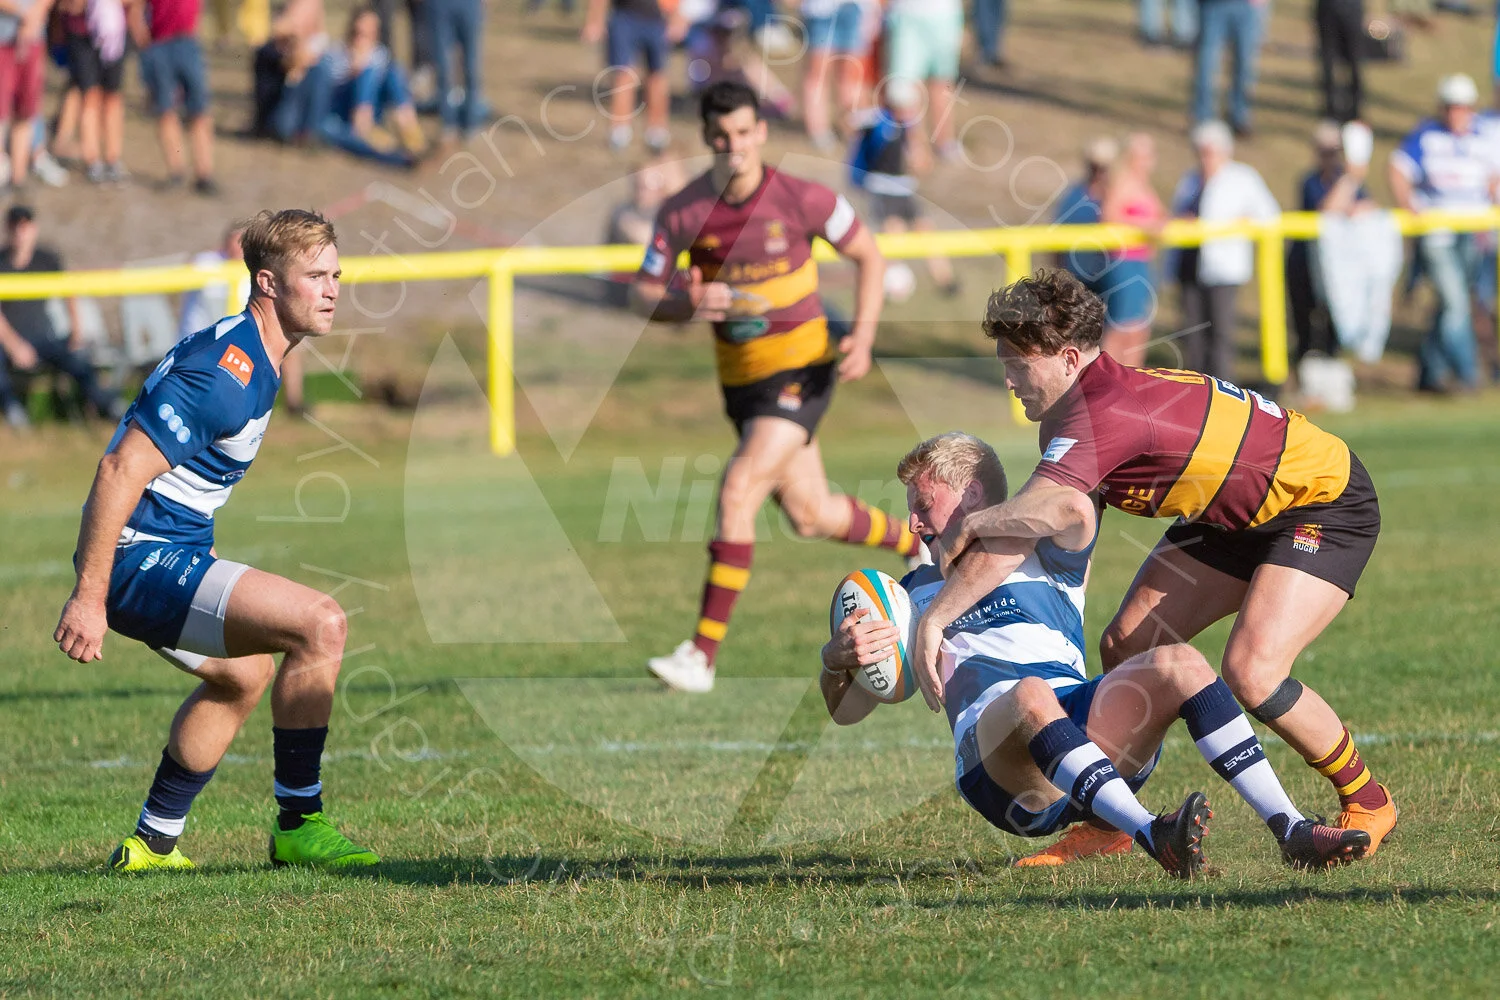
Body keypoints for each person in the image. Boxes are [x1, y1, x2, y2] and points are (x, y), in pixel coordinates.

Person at [919, 268, 1398, 865]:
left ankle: (1368, 798)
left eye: (1019, 364)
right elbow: (1035, 528)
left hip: (1321, 500)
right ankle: (1114, 820)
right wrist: (946, 608)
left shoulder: (1098, 416)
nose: (1009, 380)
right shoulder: (1070, 414)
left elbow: (1046, 512)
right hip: (1231, 514)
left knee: (1252, 670)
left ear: (1069, 358)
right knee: (1128, 646)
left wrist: (961, 544)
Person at [823, 433, 1369, 874]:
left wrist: (1001, 517)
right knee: (1031, 694)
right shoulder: (908, 592)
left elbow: (1076, 508)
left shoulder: (1045, 552)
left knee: (1180, 662)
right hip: (999, 770)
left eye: (924, 507)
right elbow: (849, 709)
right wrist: (837, 660)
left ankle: (1290, 828)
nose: (914, 524)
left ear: (971, 498)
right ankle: (1152, 834)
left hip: (1086, 730)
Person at [52, 208, 378, 872]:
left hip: (169, 551)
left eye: (336, 274)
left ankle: (150, 845)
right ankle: (299, 823)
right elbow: (118, 469)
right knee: (322, 625)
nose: (332, 288)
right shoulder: (224, 371)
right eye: (314, 275)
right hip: (135, 559)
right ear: (266, 283)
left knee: (244, 674)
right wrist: (90, 597)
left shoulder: (260, 358)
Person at [630, 80, 914, 693]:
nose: (733, 145)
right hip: (743, 388)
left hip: (803, 371)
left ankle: (700, 656)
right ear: (707, 137)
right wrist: (686, 298)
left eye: (743, 132)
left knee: (738, 490)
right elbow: (643, 294)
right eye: (720, 135)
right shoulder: (681, 212)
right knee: (811, 515)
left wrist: (862, 337)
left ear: (760, 130)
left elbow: (869, 254)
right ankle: (914, 542)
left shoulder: (803, 197)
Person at [1389, 73, 1493, 393]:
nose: (1455, 113)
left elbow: (1493, 178)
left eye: (1461, 107)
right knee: (1456, 302)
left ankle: (1429, 374)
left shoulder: (1484, 139)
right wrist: (1409, 204)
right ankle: (1468, 373)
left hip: (1473, 233)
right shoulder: (1426, 136)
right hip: (1437, 232)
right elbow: (1397, 169)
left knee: (1450, 306)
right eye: (1450, 107)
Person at [1170, 120, 1279, 380]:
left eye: (1209, 151)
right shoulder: (1190, 180)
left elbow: (1269, 215)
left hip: (1223, 269)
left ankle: (1223, 390)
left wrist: (1241, 224)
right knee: (1192, 333)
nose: (1204, 157)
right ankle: (1195, 390)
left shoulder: (1243, 178)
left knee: (1221, 333)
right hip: (1190, 266)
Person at [0, 204, 123, 427]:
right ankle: (12, 409)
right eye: (15, 227)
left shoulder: (46, 259)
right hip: (8, 342)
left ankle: (107, 405)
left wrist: (76, 331)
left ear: (33, 229)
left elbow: (69, 289)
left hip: (42, 338)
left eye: (24, 227)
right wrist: (14, 345)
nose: (20, 233)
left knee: (77, 358)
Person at [847, 83, 957, 297]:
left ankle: (946, 281)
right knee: (893, 233)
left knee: (925, 230)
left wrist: (919, 150)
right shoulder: (878, 121)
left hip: (905, 188)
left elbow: (923, 163)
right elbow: (850, 123)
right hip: (881, 188)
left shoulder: (909, 127)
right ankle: (884, 284)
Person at [129, 0, 217, 194]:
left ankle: (205, 173)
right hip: (160, 43)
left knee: (199, 111)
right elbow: (135, 9)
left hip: (188, 41)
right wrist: (145, 45)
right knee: (165, 111)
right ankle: (176, 172)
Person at [1097, 133, 1166, 367]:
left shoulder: (1144, 185)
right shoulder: (1123, 182)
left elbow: (1159, 218)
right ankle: (1104, 382)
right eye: (1141, 155)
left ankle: (1130, 384)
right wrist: (1144, 226)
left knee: (1139, 330)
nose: (1147, 161)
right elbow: (1109, 217)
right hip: (1124, 263)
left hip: (1142, 262)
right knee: (1121, 328)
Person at [585, 0, 671, 153]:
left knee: (657, 76)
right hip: (624, 16)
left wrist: (678, 16)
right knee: (622, 75)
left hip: (657, 19)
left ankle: (656, 130)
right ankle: (619, 131)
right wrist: (595, 20)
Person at [58, 0, 129, 183]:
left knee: (112, 97)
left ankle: (113, 159)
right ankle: (93, 160)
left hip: (113, 33)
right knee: (89, 96)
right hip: (81, 34)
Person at [883, 0, 963, 160]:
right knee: (903, 89)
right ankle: (911, 146)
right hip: (906, 15)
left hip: (944, 15)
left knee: (943, 82)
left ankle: (945, 143)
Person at [800, 0, 868, 149]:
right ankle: (819, 131)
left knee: (851, 74)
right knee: (818, 72)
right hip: (821, 10)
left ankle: (853, 129)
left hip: (856, 8)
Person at [1191, 0, 1263, 136]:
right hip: (1212, 6)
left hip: (1245, 6)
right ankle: (1203, 118)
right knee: (1207, 63)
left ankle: (1239, 116)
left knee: (1244, 62)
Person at [0, 0, 51, 189]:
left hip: (33, 39)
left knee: (26, 110)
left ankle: (18, 178)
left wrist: (36, 12)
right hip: (3, 39)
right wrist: (24, 12)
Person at [426, 0, 482, 144]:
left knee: (471, 67)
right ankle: (448, 124)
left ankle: (470, 122)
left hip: (469, 5)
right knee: (443, 68)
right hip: (439, 7)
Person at [1315, 0, 1364, 122]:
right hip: (1330, 9)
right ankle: (1331, 110)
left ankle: (1354, 110)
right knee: (1329, 61)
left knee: (1354, 61)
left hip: (1349, 9)